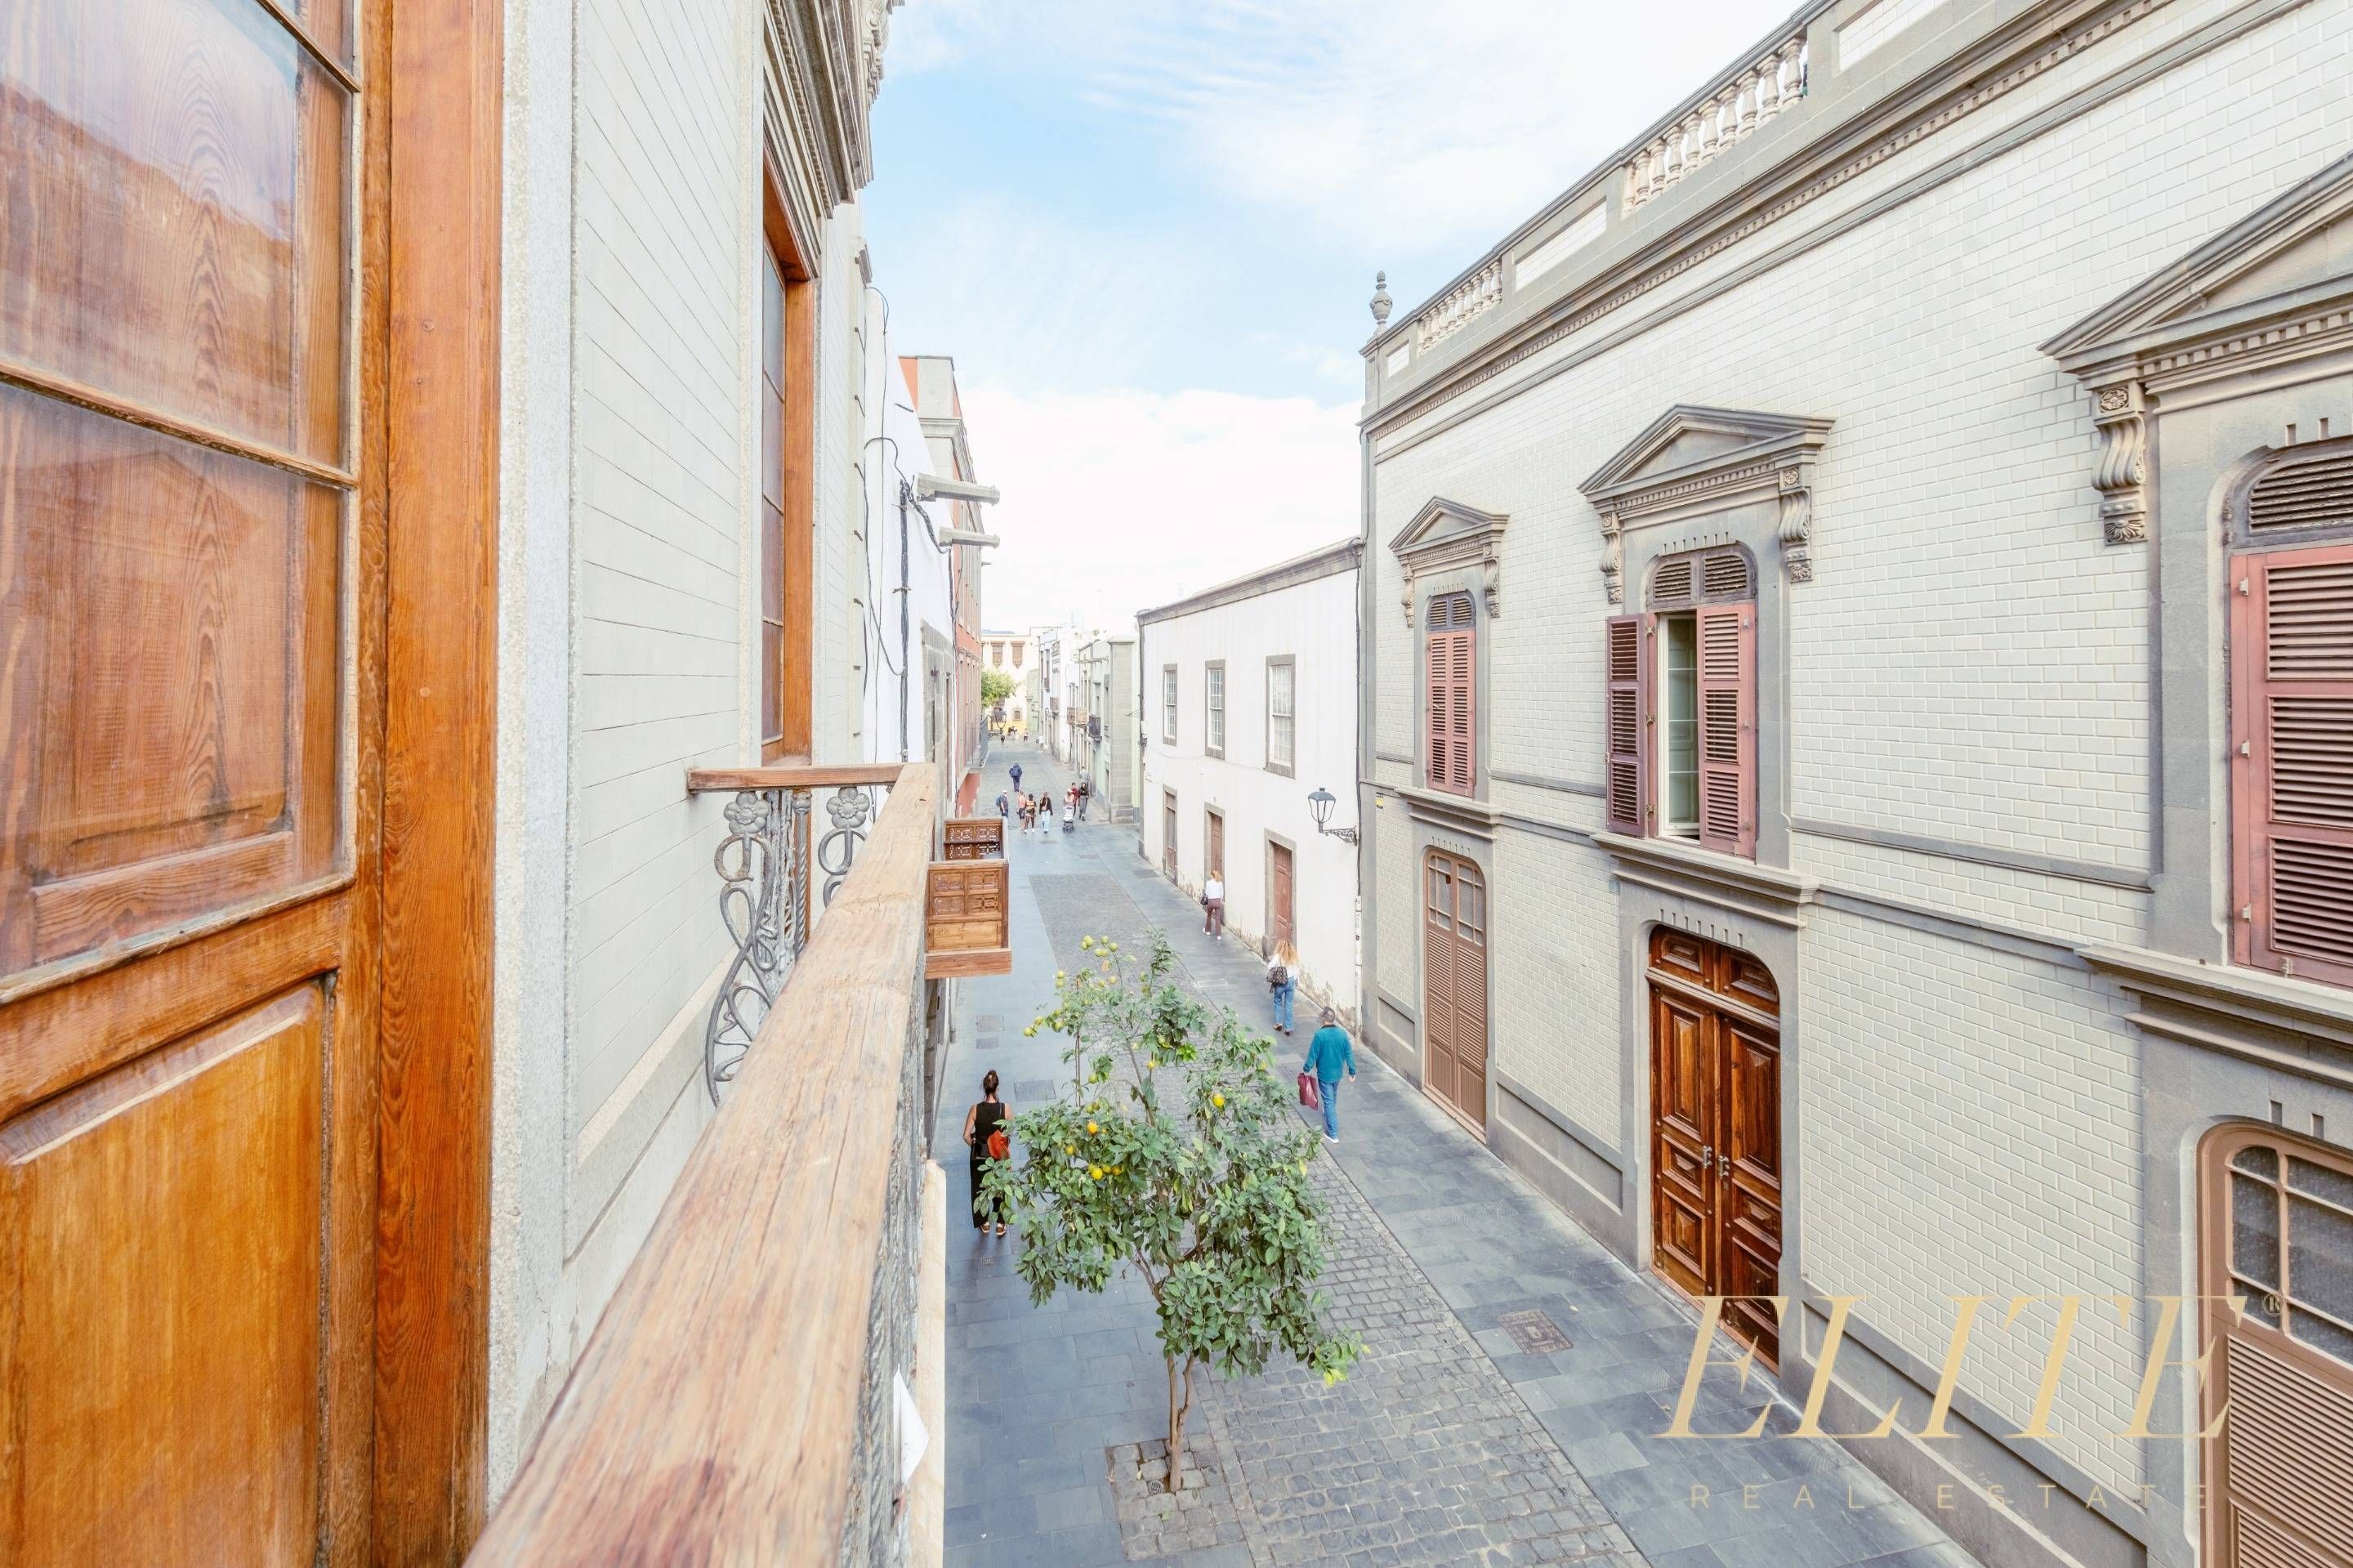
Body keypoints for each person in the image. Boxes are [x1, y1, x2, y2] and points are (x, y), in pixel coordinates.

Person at [962, 1070, 1010, 1235]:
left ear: (984, 1087)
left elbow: (966, 1136)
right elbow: (1008, 1134)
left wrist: (975, 1145)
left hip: (980, 1158)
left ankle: (985, 1222)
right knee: (1000, 1188)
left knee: (980, 1189)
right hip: (999, 1157)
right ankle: (1000, 1224)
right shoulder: (1005, 1109)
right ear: (997, 1088)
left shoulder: (975, 1109)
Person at [1302, 1008, 1355, 1144]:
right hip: (1337, 1073)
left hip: (1325, 1074)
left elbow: (1312, 1054)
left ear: (1324, 1019)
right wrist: (1352, 1071)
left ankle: (1333, 1133)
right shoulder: (1342, 1034)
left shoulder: (1320, 1035)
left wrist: (1306, 1068)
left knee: (1329, 1101)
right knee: (1333, 1095)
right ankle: (1328, 1111)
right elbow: (1349, 1054)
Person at [1267, 940, 1300, 1035]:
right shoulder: (1293, 957)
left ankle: (1278, 1023)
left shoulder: (1278, 957)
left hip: (1281, 983)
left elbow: (1270, 967)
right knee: (1289, 1004)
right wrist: (1295, 981)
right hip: (1291, 982)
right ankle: (1288, 1027)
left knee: (1277, 1000)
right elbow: (1297, 971)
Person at [1201, 871, 1226, 938]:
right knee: (1217, 918)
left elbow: (1207, 893)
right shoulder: (1220, 883)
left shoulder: (1209, 883)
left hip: (1211, 901)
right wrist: (1220, 900)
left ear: (1212, 876)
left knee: (1209, 915)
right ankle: (1218, 935)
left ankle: (1208, 931)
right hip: (1218, 901)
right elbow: (1222, 894)